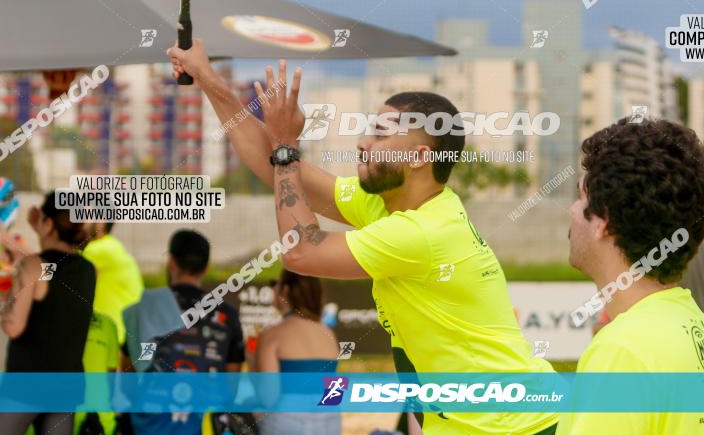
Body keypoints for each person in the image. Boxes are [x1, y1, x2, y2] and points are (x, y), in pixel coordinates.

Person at [168, 42, 559, 434]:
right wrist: (206, 77)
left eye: (381, 135)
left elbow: (300, 251)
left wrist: (286, 145)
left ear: (419, 157)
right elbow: (278, 173)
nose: (362, 143)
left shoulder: (421, 232)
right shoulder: (388, 204)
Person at [558, 118, 704, 434]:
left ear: (604, 221)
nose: (571, 211)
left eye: (581, 196)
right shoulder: (698, 326)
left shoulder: (623, 352)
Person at [118, 229, 246, 435]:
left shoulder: (146, 308)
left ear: (171, 262)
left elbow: (127, 383)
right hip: (206, 427)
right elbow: (230, 389)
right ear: (206, 267)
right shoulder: (227, 314)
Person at [0, 191, 96, 435]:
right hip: (66, 388)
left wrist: (7, 301)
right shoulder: (88, 270)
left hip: (26, 386)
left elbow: (13, 326)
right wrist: (43, 228)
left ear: (49, 223)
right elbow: (54, 282)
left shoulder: (34, 265)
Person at [255, 271, 340, 435]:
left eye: (275, 283)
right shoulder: (328, 334)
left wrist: (253, 359)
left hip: (288, 423)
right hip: (330, 421)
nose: (272, 289)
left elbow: (267, 397)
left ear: (285, 290)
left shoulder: (272, 335)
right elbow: (333, 395)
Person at [83, 220, 144, 344]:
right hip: (125, 335)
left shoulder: (100, 250)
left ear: (101, 221)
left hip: (113, 338)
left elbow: (49, 271)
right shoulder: (112, 245)